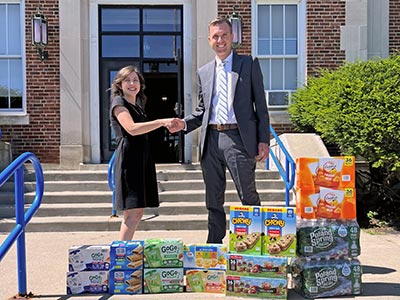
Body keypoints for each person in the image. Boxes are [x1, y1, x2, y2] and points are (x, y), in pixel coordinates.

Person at [169, 17, 270, 244]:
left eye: (224, 35)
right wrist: (183, 124)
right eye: (215, 36)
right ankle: (214, 244)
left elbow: (261, 108)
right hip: (211, 140)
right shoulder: (203, 72)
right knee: (213, 198)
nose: (220, 40)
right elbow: (202, 111)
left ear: (232, 37)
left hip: (239, 139)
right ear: (209, 40)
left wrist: (263, 140)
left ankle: (256, 243)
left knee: (247, 193)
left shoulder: (249, 64)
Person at [109, 65, 173, 241]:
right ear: (120, 84)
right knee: (131, 214)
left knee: (137, 212)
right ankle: (120, 256)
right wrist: (161, 122)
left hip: (141, 159)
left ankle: (124, 252)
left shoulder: (137, 105)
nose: (132, 83)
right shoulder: (119, 103)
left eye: (135, 80)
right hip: (129, 161)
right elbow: (132, 129)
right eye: (127, 80)